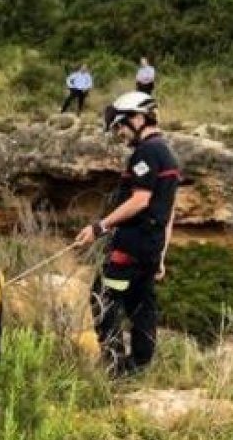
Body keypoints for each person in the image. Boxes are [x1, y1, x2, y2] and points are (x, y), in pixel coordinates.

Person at [73, 92, 181, 377]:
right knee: (141, 306)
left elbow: (140, 200)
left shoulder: (146, 153)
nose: (119, 132)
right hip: (150, 249)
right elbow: (169, 212)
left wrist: (99, 227)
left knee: (103, 300)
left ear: (138, 118)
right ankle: (138, 368)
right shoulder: (168, 154)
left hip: (129, 248)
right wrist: (161, 256)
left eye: (121, 125)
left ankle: (115, 368)